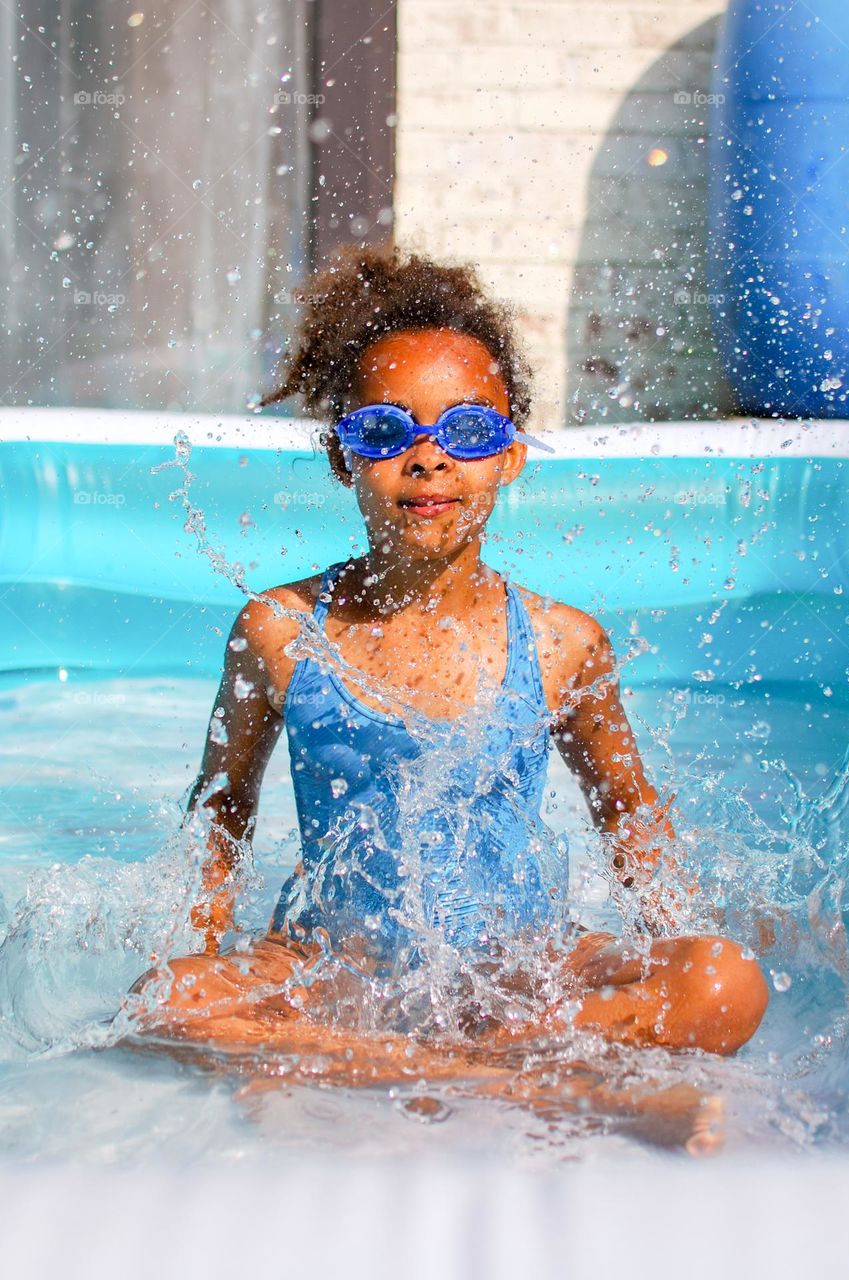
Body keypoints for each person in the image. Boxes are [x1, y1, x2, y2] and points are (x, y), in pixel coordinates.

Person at [128, 247, 768, 1088]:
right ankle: (503, 1074)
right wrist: (204, 955)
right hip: (330, 966)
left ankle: (412, 1065)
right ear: (341, 456)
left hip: (521, 967)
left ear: (510, 455)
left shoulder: (561, 643)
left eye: (467, 432)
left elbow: (631, 815)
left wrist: (667, 945)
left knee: (724, 981)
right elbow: (221, 815)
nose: (429, 459)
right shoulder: (281, 632)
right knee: (166, 998)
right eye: (387, 431)